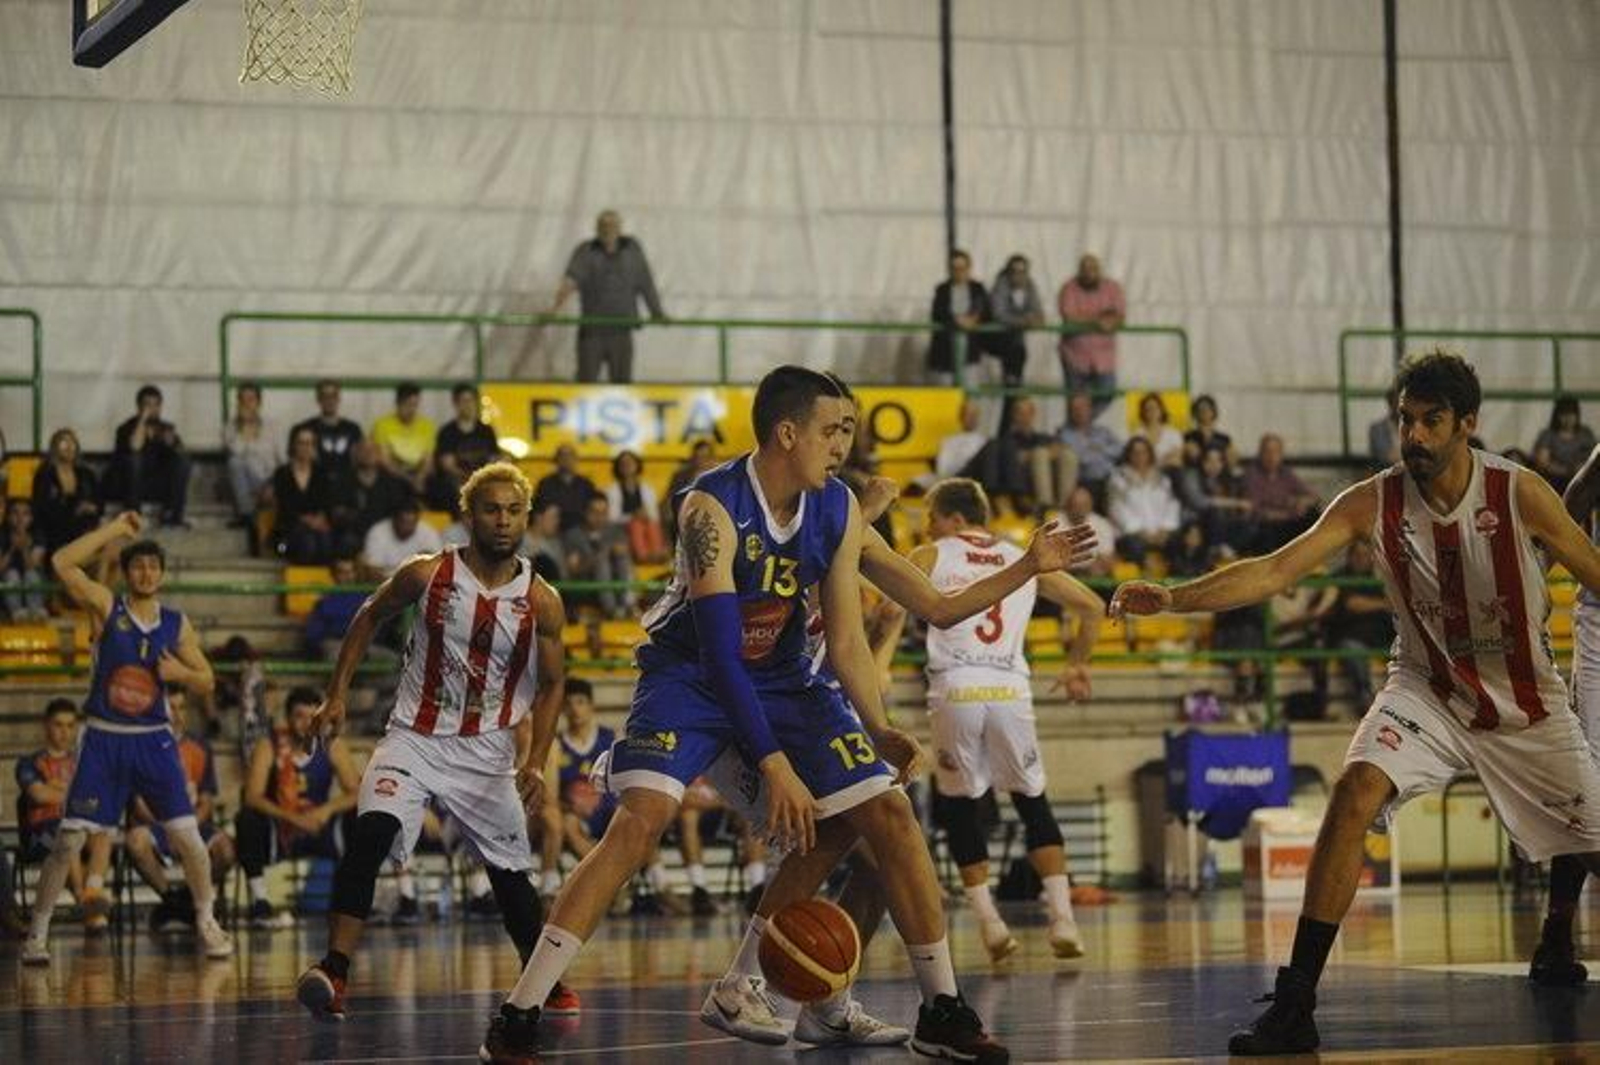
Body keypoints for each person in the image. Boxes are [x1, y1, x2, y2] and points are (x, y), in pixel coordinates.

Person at [485, 367, 1009, 1063]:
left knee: (885, 814)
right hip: (692, 673)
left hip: (785, 679)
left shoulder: (838, 507)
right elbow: (724, 655)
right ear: (786, 433)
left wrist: (875, 722)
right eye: (833, 430)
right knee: (641, 821)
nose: (843, 445)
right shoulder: (712, 507)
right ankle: (520, 1013)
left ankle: (939, 1007)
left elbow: (850, 640)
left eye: (850, 430)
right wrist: (775, 763)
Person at [1110, 350, 1600, 1056]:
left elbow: (1593, 571)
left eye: (1431, 421)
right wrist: (1175, 598)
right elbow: (1277, 568)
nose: (1416, 436)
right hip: (1426, 688)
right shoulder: (1371, 499)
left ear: (1468, 424)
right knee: (1353, 790)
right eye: (1406, 420)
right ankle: (1296, 1001)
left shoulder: (1519, 492)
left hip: (1523, 700)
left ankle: (1557, 932)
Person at [295, 462, 573, 1023]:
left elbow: (554, 682)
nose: (502, 520)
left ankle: (549, 984)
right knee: (369, 833)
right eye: (491, 509)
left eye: (513, 511)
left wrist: (536, 760)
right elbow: (369, 616)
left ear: (526, 518)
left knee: (509, 875)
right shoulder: (426, 574)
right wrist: (336, 694)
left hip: (487, 751)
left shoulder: (541, 601)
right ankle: (335, 970)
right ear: (469, 516)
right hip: (413, 738)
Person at [22, 513, 230, 964]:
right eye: (138, 566)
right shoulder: (106, 606)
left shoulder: (176, 624)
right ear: (128, 572)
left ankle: (206, 920)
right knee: (69, 841)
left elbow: (209, 681)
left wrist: (181, 673)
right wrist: (115, 531)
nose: (146, 573)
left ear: (162, 574)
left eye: (153, 566)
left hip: (154, 740)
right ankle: (37, 932)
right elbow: (61, 562)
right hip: (103, 737)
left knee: (190, 840)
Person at [912, 478, 1102, 962]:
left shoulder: (930, 554)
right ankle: (1063, 921)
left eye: (931, 517)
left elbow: (886, 609)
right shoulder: (1025, 556)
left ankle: (991, 925)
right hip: (1009, 687)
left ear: (953, 519)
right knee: (1031, 799)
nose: (928, 527)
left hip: (955, 685)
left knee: (958, 807)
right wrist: (1077, 663)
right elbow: (1093, 606)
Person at [236, 686, 362, 928]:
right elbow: (252, 796)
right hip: (282, 828)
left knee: (362, 816)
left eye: (312, 718)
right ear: (287, 718)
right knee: (247, 818)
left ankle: (353, 902)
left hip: (319, 827)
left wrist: (326, 811)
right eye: (299, 717)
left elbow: (356, 791)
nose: (306, 724)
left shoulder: (331, 744)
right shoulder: (269, 745)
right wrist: (291, 817)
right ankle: (261, 902)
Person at [125, 688, 236, 932]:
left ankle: (184, 899)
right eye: (170, 708)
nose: (176, 714)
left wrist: (188, 827)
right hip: (157, 823)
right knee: (135, 841)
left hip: (194, 822)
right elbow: (138, 803)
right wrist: (173, 828)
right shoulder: (142, 746)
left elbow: (206, 799)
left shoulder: (200, 746)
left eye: (181, 707)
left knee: (227, 851)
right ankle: (171, 900)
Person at [14, 700, 114, 931]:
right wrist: (76, 794)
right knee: (69, 830)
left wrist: (58, 789)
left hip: (75, 829)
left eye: (70, 725)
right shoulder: (29, 763)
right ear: (46, 726)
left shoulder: (85, 763)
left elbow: (98, 802)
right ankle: (83, 901)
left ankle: (92, 892)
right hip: (39, 836)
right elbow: (39, 796)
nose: (64, 732)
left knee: (102, 831)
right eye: (58, 725)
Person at [548, 209, 667, 383]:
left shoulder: (632, 250)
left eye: (612, 225)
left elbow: (646, 283)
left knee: (622, 382)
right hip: (592, 330)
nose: (608, 230)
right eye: (603, 225)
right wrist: (555, 308)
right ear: (597, 229)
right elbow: (570, 281)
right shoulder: (586, 251)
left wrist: (657, 312)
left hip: (621, 329)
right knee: (586, 380)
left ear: (620, 228)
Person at [971, 397, 1077, 514]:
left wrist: (1041, 453)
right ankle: (1046, 505)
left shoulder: (1043, 437)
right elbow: (1013, 460)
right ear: (1013, 416)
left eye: (1027, 413)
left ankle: (1066, 504)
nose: (1024, 417)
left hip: (1051, 476)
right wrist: (1039, 454)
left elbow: (1058, 449)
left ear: (1033, 414)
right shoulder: (1006, 441)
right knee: (1040, 454)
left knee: (1068, 455)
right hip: (1024, 481)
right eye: (1020, 413)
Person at [110, 384, 191, 527]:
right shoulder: (126, 428)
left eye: (156, 405)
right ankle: (134, 515)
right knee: (134, 459)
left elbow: (182, 455)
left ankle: (172, 515)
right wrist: (142, 420)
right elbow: (135, 446)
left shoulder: (167, 428)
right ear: (139, 407)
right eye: (147, 405)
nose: (152, 409)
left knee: (182, 460)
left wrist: (173, 444)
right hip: (130, 485)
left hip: (157, 485)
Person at [1056, 254, 1125, 414]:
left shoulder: (1113, 288)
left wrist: (1091, 319)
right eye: (1085, 269)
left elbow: (1120, 316)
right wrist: (1099, 320)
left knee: (1107, 393)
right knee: (1075, 400)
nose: (1089, 273)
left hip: (1104, 357)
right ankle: (1077, 427)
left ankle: (1081, 425)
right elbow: (1069, 318)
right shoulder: (1069, 288)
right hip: (1074, 356)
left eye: (1093, 268)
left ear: (1099, 270)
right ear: (1079, 271)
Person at [268, 426, 339, 564]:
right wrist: (306, 520)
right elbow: (284, 506)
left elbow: (327, 503)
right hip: (287, 532)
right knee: (308, 542)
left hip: (317, 528)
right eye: (302, 443)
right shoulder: (282, 473)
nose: (306, 447)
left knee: (326, 541)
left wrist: (320, 518)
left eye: (310, 443)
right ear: (293, 445)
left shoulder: (322, 474)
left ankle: (322, 582)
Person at [329, 439, 412, 554]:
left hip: (386, 535)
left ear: (379, 455)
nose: (368, 454)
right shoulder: (343, 481)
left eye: (372, 450)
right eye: (363, 450)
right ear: (356, 455)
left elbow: (398, 512)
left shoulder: (391, 483)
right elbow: (336, 512)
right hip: (353, 535)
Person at [987, 255, 1045, 417]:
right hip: (996, 340)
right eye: (1014, 271)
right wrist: (1024, 320)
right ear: (1008, 272)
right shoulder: (1001, 284)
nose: (1018, 276)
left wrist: (1031, 319)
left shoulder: (1030, 285)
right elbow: (998, 314)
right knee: (1016, 358)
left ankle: (1014, 385)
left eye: (1022, 272)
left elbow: (1038, 311)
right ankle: (1013, 384)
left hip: (1015, 342)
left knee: (1012, 390)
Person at [1107, 437, 1182, 564]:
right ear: (1128, 455)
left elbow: (1172, 505)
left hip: (1160, 533)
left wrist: (1165, 529)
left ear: (1150, 454)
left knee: (1178, 542)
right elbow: (1117, 509)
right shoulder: (1118, 478)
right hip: (1132, 534)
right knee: (1134, 546)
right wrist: (1141, 532)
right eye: (1135, 453)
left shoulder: (1162, 478)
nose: (1140, 456)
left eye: (1143, 452)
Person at [1242, 433, 1321, 552]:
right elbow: (1255, 509)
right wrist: (1286, 507)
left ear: (1281, 454)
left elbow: (1314, 496)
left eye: (1276, 452)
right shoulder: (1252, 474)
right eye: (1267, 452)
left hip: (1290, 522)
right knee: (1266, 530)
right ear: (1260, 454)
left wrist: (1303, 501)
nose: (1271, 456)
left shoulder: (1285, 473)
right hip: (1268, 526)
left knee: (1314, 514)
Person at [30, 428, 102, 558]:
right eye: (64, 442)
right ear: (55, 446)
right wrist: (74, 510)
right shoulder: (45, 473)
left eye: (72, 442)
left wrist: (92, 507)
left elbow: (99, 502)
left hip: (83, 528)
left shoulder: (86, 473)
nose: (69, 446)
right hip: (54, 530)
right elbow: (40, 508)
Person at [430, 382, 500, 513]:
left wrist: (480, 478)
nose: (468, 405)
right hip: (457, 482)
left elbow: (494, 459)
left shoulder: (486, 431)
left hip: (483, 480)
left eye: (471, 400)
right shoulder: (447, 432)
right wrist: (469, 479)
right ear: (455, 404)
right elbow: (448, 466)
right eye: (463, 401)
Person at [926, 249, 991, 386]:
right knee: (946, 396)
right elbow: (938, 313)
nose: (959, 272)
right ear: (950, 270)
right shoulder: (942, 289)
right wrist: (957, 320)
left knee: (970, 394)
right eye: (955, 268)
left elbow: (986, 310)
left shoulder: (978, 288)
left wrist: (974, 319)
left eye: (962, 268)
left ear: (969, 268)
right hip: (945, 353)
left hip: (970, 351)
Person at [563, 495, 634, 620]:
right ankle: (612, 611)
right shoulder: (573, 535)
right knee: (601, 560)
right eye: (595, 512)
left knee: (622, 558)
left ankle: (627, 605)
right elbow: (573, 569)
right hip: (588, 584)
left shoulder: (615, 531)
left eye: (603, 513)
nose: (599, 517)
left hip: (615, 582)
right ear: (585, 512)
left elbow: (625, 558)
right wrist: (597, 559)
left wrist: (615, 552)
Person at [1177, 445, 1255, 553]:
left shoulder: (1224, 478)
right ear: (1202, 461)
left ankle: (1227, 549)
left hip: (1222, 523)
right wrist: (1235, 503)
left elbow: (1237, 502)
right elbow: (1199, 502)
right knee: (1215, 512)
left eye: (1218, 461)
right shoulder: (1191, 474)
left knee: (1251, 522)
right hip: (1195, 520)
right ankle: (1215, 551)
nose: (1214, 465)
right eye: (1209, 460)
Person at [225, 381, 283, 525]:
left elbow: (282, 459)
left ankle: (253, 513)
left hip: (270, 480)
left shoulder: (273, 425)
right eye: (242, 400)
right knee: (235, 462)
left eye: (251, 399)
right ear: (238, 403)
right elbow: (237, 452)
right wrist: (245, 427)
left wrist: (273, 484)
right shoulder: (230, 428)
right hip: (248, 482)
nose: (247, 404)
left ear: (259, 402)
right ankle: (247, 514)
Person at [1057, 391, 1123, 508]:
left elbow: (1120, 450)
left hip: (1110, 479)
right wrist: (1102, 453)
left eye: (1083, 408)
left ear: (1090, 410)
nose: (1080, 412)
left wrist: (1100, 449)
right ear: (1070, 412)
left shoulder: (1103, 431)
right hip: (1085, 481)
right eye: (1075, 409)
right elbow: (1082, 459)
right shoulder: (1065, 434)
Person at [371, 382, 436, 493]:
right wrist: (409, 479)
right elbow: (385, 461)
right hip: (393, 475)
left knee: (441, 487)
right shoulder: (382, 425)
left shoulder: (427, 425)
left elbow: (428, 461)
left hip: (419, 474)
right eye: (407, 405)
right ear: (398, 403)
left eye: (415, 405)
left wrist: (419, 478)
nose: (412, 409)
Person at [604, 450, 665, 563]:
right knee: (636, 524)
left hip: (646, 527)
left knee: (651, 523)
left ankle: (657, 553)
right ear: (618, 468)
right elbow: (612, 518)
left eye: (630, 463)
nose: (627, 466)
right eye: (623, 463)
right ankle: (642, 556)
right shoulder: (611, 490)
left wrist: (645, 515)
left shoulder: (647, 489)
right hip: (621, 528)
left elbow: (655, 516)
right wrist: (633, 516)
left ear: (637, 465)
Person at [360, 496, 443, 579]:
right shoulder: (377, 532)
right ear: (394, 519)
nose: (408, 527)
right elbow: (372, 570)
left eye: (412, 523)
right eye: (404, 522)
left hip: (418, 585)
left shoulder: (428, 533)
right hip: (385, 585)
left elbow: (437, 568)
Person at [292, 379, 364, 473]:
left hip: (345, 485)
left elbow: (359, 462)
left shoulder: (353, 429)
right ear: (318, 399)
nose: (329, 400)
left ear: (339, 399)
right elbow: (295, 464)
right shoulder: (304, 429)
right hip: (315, 484)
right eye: (325, 396)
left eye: (333, 396)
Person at [1533, 394, 1596, 493]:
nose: (1568, 419)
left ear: (1577, 415)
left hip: (1583, 479)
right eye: (1564, 415)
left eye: (1571, 414)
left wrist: (1582, 468)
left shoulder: (1586, 434)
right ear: (1557, 416)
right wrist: (1565, 471)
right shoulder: (1548, 435)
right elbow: (1543, 462)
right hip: (1555, 480)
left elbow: (1595, 457)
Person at [532, 444, 599, 533]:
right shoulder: (545, 483)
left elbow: (594, 510)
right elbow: (538, 511)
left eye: (570, 455)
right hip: (552, 534)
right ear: (556, 460)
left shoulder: (586, 484)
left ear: (576, 459)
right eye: (562, 455)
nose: (566, 459)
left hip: (581, 535)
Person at [0, 499, 49, 620]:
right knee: (12, 574)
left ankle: (35, 611)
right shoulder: (2, 535)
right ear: (9, 517)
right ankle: (16, 611)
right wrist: (12, 548)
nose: (20, 518)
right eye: (15, 513)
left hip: (33, 581)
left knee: (31, 574)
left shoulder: (38, 536)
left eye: (25, 514)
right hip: (7, 586)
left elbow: (31, 565)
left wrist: (24, 548)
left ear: (31, 518)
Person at [663, 439, 718, 545]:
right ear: (692, 457)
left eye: (705, 457)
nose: (700, 461)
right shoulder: (680, 475)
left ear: (711, 458)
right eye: (697, 457)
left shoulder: (718, 476)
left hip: (710, 514)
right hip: (684, 512)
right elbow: (670, 496)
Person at [1182, 394, 1235, 468]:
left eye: (1208, 408)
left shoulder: (1224, 438)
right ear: (1195, 412)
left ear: (1213, 411)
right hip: (1196, 472)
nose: (1204, 411)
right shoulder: (1188, 437)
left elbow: (1232, 462)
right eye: (1200, 409)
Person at [1132, 392, 1184, 468]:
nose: (1152, 412)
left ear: (1161, 410)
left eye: (1155, 408)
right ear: (1143, 413)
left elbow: (1177, 459)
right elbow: (1135, 458)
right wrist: (1163, 459)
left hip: (1168, 472)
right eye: (1148, 409)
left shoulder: (1173, 433)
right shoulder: (1137, 434)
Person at [1368, 386, 1400, 469]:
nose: (1399, 407)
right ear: (1389, 403)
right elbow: (1385, 457)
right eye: (1396, 402)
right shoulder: (1377, 429)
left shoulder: (1414, 427)